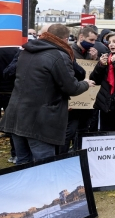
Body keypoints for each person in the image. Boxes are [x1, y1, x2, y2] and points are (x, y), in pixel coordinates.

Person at [0, 24, 94, 163]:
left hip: (16, 116)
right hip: (39, 121)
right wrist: (86, 83)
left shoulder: (25, 51)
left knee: (22, 163)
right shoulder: (59, 55)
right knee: (44, 165)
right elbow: (71, 88)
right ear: (65, 39)